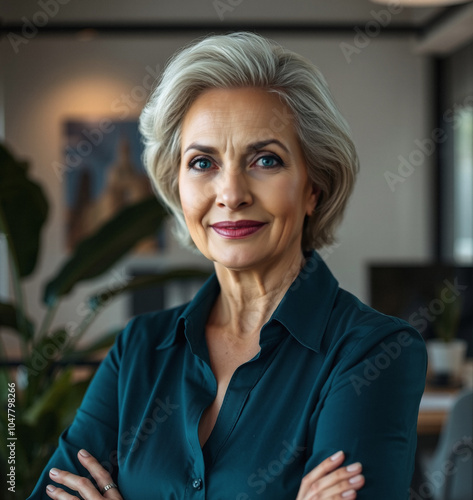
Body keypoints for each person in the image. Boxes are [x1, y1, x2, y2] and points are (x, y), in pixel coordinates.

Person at [27, 32, 427, 500]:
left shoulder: (374, 353)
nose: (231, 193)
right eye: (202, 162)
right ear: (177, 188)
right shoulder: (138, 349)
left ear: (313, 187)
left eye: (265, 159)